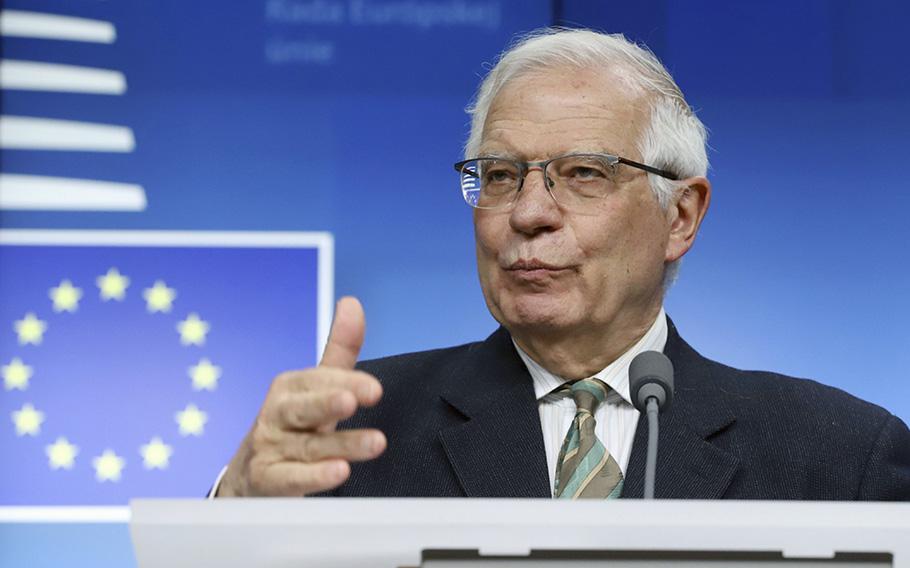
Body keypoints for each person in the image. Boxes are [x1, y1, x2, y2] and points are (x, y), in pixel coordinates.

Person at [213, 28, 910, 499]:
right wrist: (236, 508)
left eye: (583, 173)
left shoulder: (839, 455)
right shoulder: (354, 438)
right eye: (499, 174)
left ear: (681, 215)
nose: (528, 212)